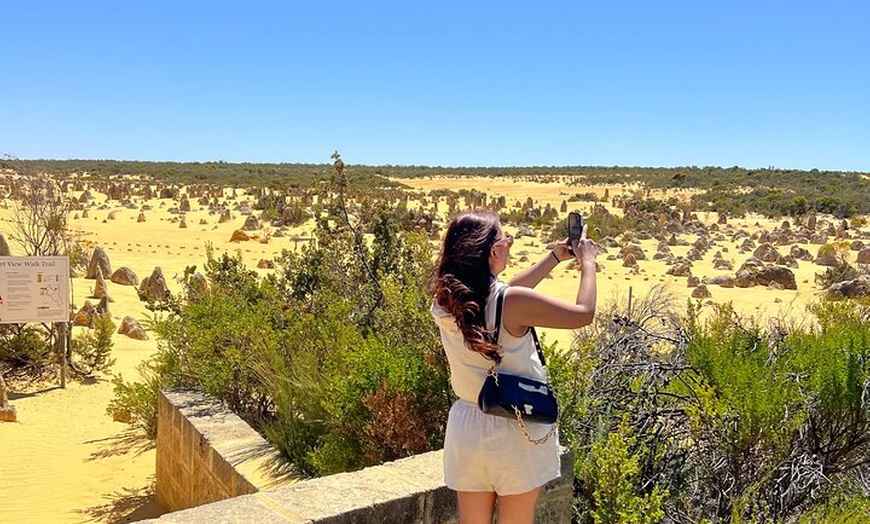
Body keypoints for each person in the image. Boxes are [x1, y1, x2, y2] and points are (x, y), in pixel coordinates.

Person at [430, 209, 599, 523]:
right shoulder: (511, 304)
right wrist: (587, 262)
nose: (509, 244)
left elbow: (506, 294)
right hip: (515, 426)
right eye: (506, 239)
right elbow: (582, 313)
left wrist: (552, 258)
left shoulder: (446, 301)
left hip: (468, 426)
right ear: (493, 251)